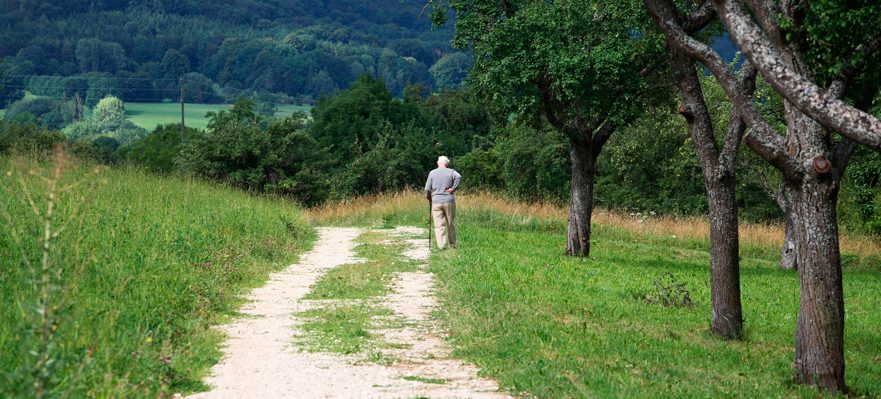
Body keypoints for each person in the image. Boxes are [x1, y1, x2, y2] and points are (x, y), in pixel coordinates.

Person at [425, 156, 461, 249]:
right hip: (449, 200)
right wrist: (453, 188)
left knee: (439, 225)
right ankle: (452, 245)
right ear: (447, 163)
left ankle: (441, 246)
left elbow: (427, 189)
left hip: (436, 201)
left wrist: (429, 198)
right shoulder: (451, 171)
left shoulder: (432, 173)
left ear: (438, 163)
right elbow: (458, 177)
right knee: (450, 223)